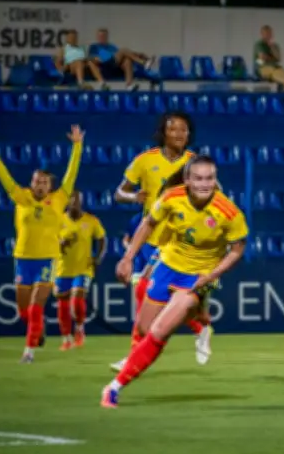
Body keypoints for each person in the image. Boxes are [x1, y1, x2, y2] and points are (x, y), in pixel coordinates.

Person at [102, 155, 248, 408]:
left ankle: (114, 388)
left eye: (210, 178)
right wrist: (127, 258)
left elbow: (237, 249)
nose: (205, 184)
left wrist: (212, 275)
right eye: (199, 178)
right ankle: (201, 324)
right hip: (168, 266)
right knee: (146, 329)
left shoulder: (229, 212)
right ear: (188, 180)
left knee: (160, 330)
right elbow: (149, 224)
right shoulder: (171, 198)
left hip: (199, 276)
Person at [110, 112, 209, 370]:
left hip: (177, 242)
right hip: (148, 239)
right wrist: (133, 198)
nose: (179, 134)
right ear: (163, 133)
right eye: (173, 129)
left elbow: (214, 194)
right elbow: (119, 193)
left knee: (149, 296)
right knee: (154, 299)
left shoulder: (194, 163)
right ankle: (201, 328)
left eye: (184, 130)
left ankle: (134, 357)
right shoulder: (145, 160)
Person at [0, 125, 84, 363]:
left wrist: (77, 146)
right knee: (23, 312)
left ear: (50, 187)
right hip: (22, 259)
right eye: (37, 181)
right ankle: (38, 330)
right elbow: (3, 174)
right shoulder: (21, 197)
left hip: (48, 259)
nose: (40, 185)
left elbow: (72, 172)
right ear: (31, 183)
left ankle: (28, 353)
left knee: (37, 306)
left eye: (44, 182)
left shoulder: (59, 199)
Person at [55, 191, 107, 350]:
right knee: (63, 303)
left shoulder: (91, 221)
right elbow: (49, 242)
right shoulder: (58, 220)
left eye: (79, 201)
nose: (76, 204)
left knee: (77, 298)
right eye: (73, 201)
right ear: (68, 202)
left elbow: (103, 239)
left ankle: (79, 328)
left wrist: (98, 257)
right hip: (62, 268)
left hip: (83, 268)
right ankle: (66, 338)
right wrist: (61, 244)